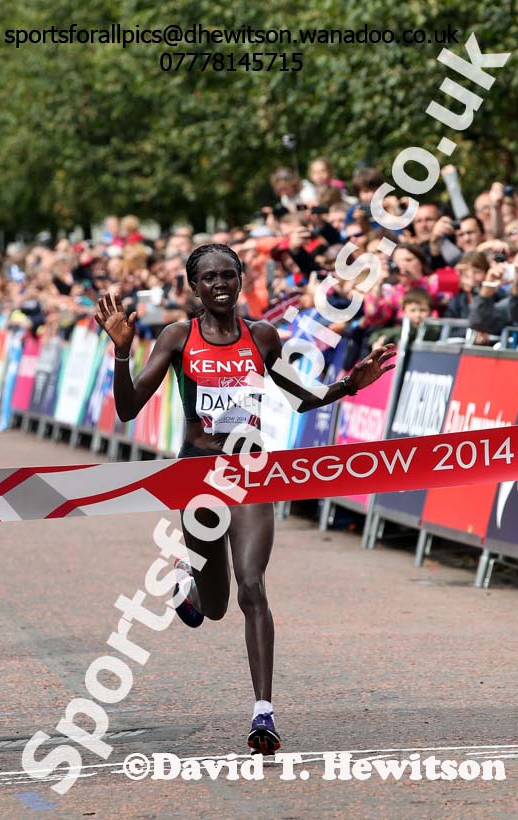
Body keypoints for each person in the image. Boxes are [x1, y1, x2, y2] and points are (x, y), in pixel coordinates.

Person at [94, 243, 396, 754]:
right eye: (208, 278)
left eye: (227, 276)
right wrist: (122, 351)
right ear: (194, 288)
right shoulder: (176, 337)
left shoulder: (262, 336)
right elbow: (126, 409)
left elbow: (301, 396)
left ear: (239, 280)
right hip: (197, 475)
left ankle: (264, 713)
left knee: (251, 586)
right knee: (213, 607)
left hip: (251, 471)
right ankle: (189, 585)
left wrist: (348, 384)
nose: (219, 285)